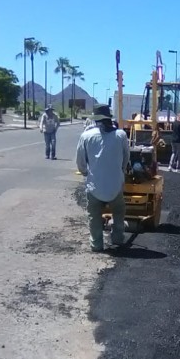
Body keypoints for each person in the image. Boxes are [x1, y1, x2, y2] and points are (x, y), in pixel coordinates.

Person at [75, 104, 129, 252]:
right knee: (118, 211)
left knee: (94, 216)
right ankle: (117, 238)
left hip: (94, 186)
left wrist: (86, 173)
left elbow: (80, 162)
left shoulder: (86, 136)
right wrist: (120, 171)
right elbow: (126, 158)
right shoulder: (121, 135)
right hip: (115, 186)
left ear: (96, 120)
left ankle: (96, 245)